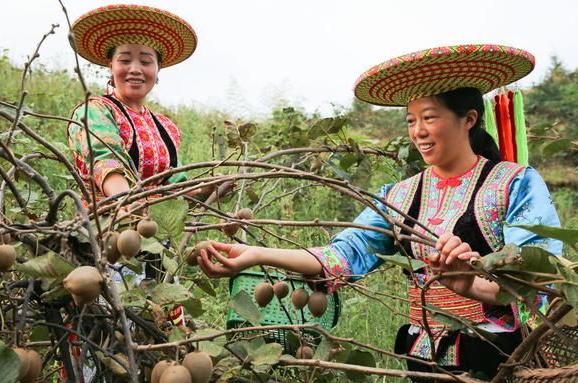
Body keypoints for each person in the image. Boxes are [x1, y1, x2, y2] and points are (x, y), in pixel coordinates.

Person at [195, 44, 563, 380]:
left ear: (468, 119)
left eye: (429, 117)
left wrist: (470, 283)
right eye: (411, 120)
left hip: (501, 361)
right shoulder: (401, 197)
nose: (418, 131)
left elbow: (539, 280)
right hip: (423, 361)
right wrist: (255, 254)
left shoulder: (513, 184)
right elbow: (344, 254)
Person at [66, 4, 201, 211]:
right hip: (106, 227)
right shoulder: (94, 112)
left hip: (158, 231)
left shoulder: (166, 127)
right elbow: (105, 161)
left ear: (158, 69)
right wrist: (127, 201)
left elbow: (175, 187)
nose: (135, 69)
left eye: (146, 62)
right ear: (111, 64)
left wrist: (208, 190)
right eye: (125, 60)